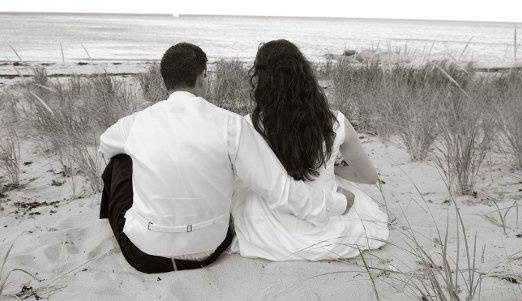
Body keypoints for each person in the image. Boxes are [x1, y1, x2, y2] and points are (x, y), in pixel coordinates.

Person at [98, 42, 349, 273]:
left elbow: (104, 146)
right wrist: (335, 203)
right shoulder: (231, 125)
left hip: (144, 254)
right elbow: (280, 190)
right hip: (209, 250)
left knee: (120, 160)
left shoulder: (136, 122)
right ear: (202, 77)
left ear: (165, 82)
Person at [231, 39, 389, 261]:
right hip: (328, 227)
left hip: (271, 231)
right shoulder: (336, 122)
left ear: (260, 80)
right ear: (305, 76)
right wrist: (333, 169)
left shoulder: (249, 125)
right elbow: (369, 176)